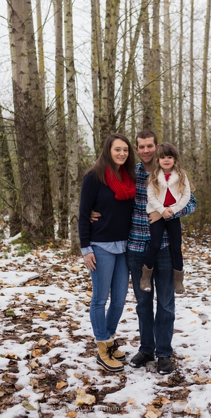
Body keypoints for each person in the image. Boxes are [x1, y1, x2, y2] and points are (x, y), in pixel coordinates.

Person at [126, 130, 197, 375]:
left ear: (157, 148)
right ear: (137, 149)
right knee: (143, 303)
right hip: (136, 246)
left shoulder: (174, 174)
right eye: (141, 146)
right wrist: (94, 213)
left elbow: (192, 202)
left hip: (165, 247)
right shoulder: (130, 173)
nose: (146, 150)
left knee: (166, 303)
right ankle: (146, 348)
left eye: (150, 146)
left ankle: (164, 352)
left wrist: (169, 212)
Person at [79, 133, 137, 373]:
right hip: (101, 246)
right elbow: (84, 213)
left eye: (125, 150)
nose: (122, 153)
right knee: (100, 299)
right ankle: (102, 346)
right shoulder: (94, 177)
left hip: (124, 246)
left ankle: (109, 339)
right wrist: (85, 248)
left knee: (120, 299)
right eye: (117, 150)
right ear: (108, 151)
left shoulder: (129, 177)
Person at [139, 143, 192, 294]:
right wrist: (162, 210)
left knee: (176, 246)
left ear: (175, 159)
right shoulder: (154, 176)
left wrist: (173, 210)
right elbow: (151, 196)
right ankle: (145, 277)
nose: (166, 160)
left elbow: (186, 196)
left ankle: (178, 280)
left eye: (170, 157)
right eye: (162, 157)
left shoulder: (181, 175)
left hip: (173, 214)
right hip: (157, 214)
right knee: (155, 244)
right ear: (158, 160)